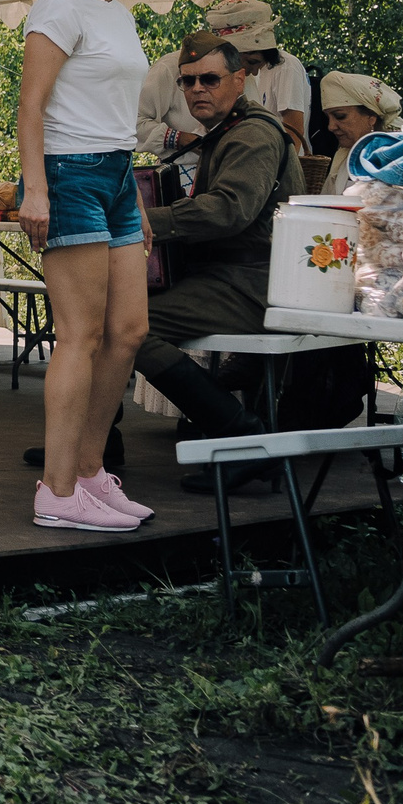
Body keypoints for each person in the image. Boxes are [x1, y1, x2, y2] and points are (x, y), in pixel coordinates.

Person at [17, 0, 160, 534]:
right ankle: (56, 488)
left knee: (128, 330)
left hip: (117, 173)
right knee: (82, 334)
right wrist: (35, 189)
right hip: (70, 173)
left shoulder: (118, 12)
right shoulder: (59, 5)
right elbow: (30, 105)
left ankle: (91, 473)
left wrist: (133, 194)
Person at [131, 32, 306, 491]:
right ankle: (96, 442)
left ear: (240, 80)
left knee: (130, 328)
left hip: (251, 281)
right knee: (109, 311)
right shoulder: (227, 130)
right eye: (188, 82)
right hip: (231, 274)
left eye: (209, 79)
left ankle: (246, 439)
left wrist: (146, 221)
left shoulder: (251, 134)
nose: (196, 90)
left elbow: (230, 209)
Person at [199, 0, 309, 149]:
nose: (255, 72)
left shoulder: (286, 67)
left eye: (255, 62)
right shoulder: (233, 75)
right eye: (251, 63)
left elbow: (294, 132)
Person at [318, 71, 403, 173]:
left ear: (371, 117)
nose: (331, 127)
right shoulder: (343, 159)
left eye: (340, 116)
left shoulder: (399, 160)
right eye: (328, 118)